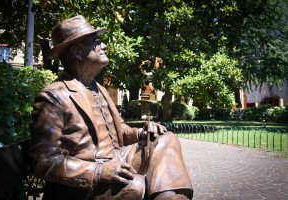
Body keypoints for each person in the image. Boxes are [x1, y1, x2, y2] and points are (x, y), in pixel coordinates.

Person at [30, 15, 193, 200]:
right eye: (96, 41)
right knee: (139, 186)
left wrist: (140, 133)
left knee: (166, 138)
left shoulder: (98, 88)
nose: (104, 46)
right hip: (86, 181)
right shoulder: (53, 96)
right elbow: (43, 160)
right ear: (77, 52)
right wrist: (98, 171)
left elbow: (118, 131)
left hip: (118, 158)